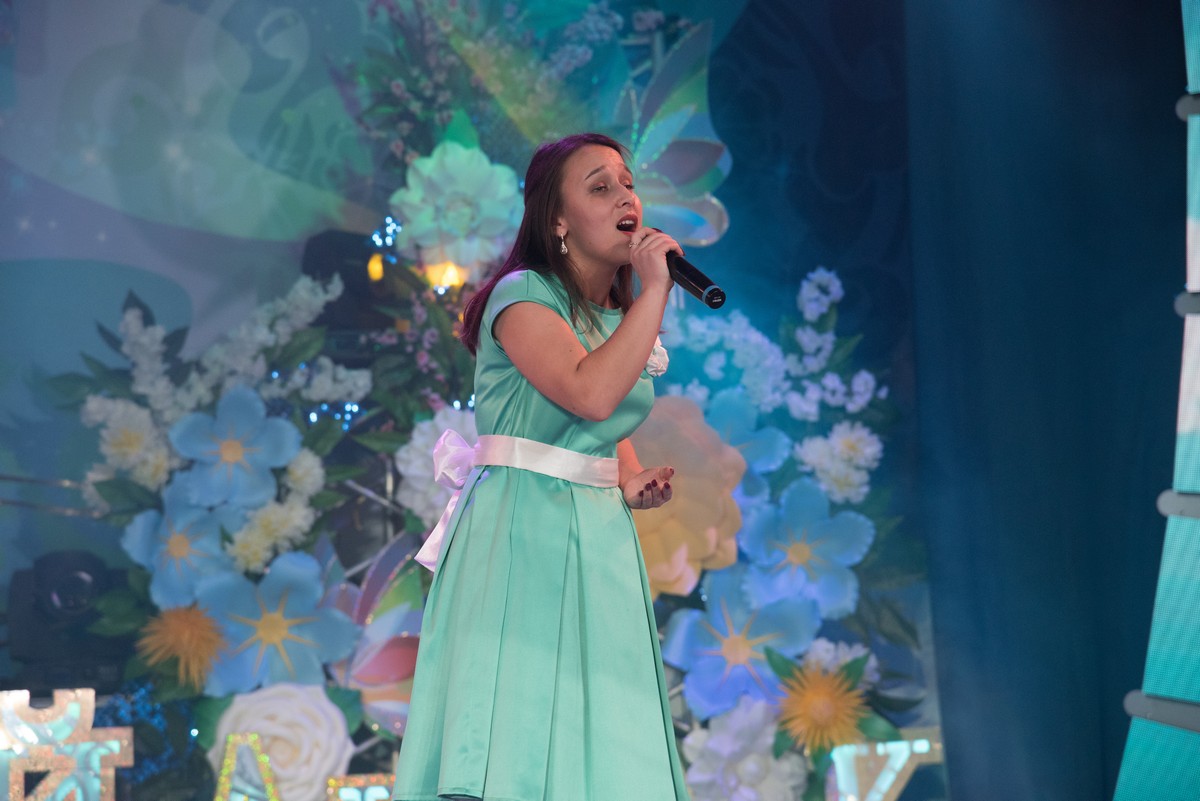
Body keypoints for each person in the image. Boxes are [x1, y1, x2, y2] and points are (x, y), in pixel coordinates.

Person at [391, 132, 690, 801]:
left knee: (603, 721)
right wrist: (657, 290)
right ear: (557, 220)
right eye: (600, 187)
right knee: (521, 727)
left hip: (598, 536)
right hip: (524, 526)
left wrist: (630, 476)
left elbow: (601, 423)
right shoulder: (522, 296)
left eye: (628, 182)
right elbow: (588, 392)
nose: (626, 197)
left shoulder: (611, 314)